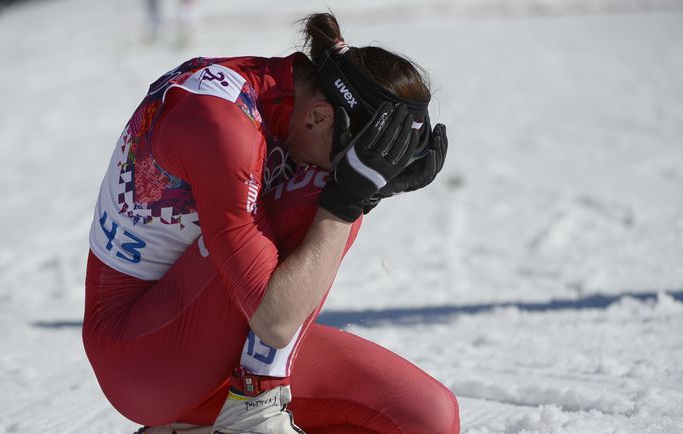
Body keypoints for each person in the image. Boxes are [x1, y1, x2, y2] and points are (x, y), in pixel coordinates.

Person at [83, 12, 457, 434]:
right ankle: (254, 402)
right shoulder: (223, 127)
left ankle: (221, 414)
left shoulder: (299, 106)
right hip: (143, 361)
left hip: (221, 338)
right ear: (318, 116)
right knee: (331, 191)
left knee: (428, 419)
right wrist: (351, 197)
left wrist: (368, 191)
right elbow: (275, 320)